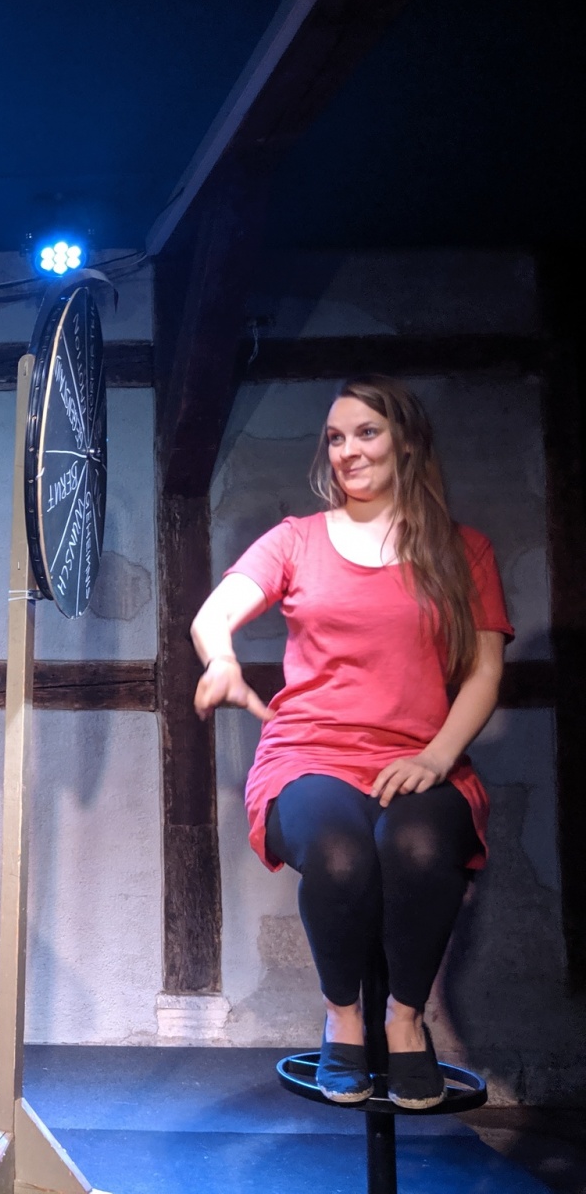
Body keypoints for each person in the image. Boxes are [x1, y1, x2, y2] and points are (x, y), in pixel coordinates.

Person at [191, 376, 510, 1109]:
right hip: (309, 754)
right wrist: (223, 660)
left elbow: (486, 671)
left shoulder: (463, 550)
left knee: (419, 847)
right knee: (339, 857)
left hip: (420, 753)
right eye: (335, 437)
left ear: (406, 442)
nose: (347, 450)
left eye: (366, 432)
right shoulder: (297, 539)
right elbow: (214, 614)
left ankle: (404, 1019)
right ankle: (343, 1019)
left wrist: (436, 756)